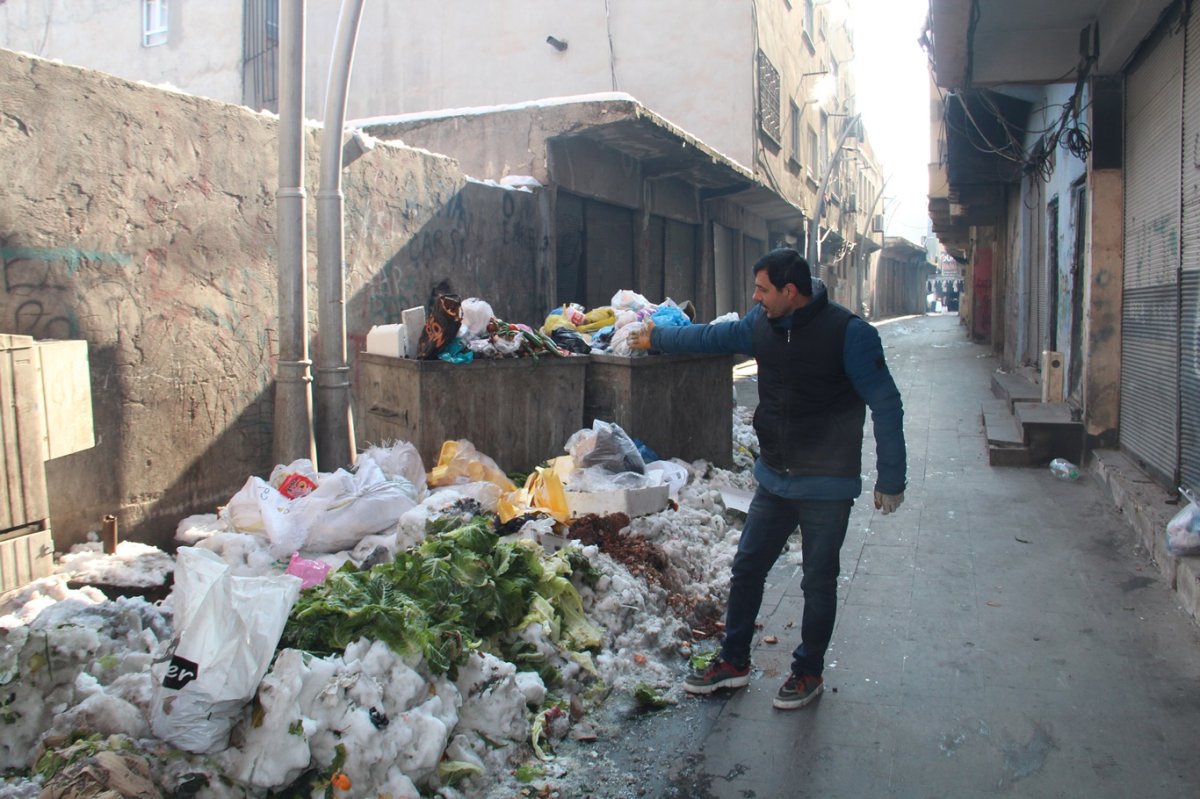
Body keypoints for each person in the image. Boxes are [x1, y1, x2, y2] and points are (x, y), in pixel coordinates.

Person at [631, 247, 906, 710]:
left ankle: (808, 671)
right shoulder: (762, 326)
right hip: (775, 479)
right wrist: (657, 336)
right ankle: (734, 660)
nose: (755, 297)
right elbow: (709, 338)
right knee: (747, 569)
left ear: (790, 291)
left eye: (762, 289)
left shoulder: (849, 334)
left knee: (818, 583)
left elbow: (886, 402)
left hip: (827, 484)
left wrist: (891, 478)